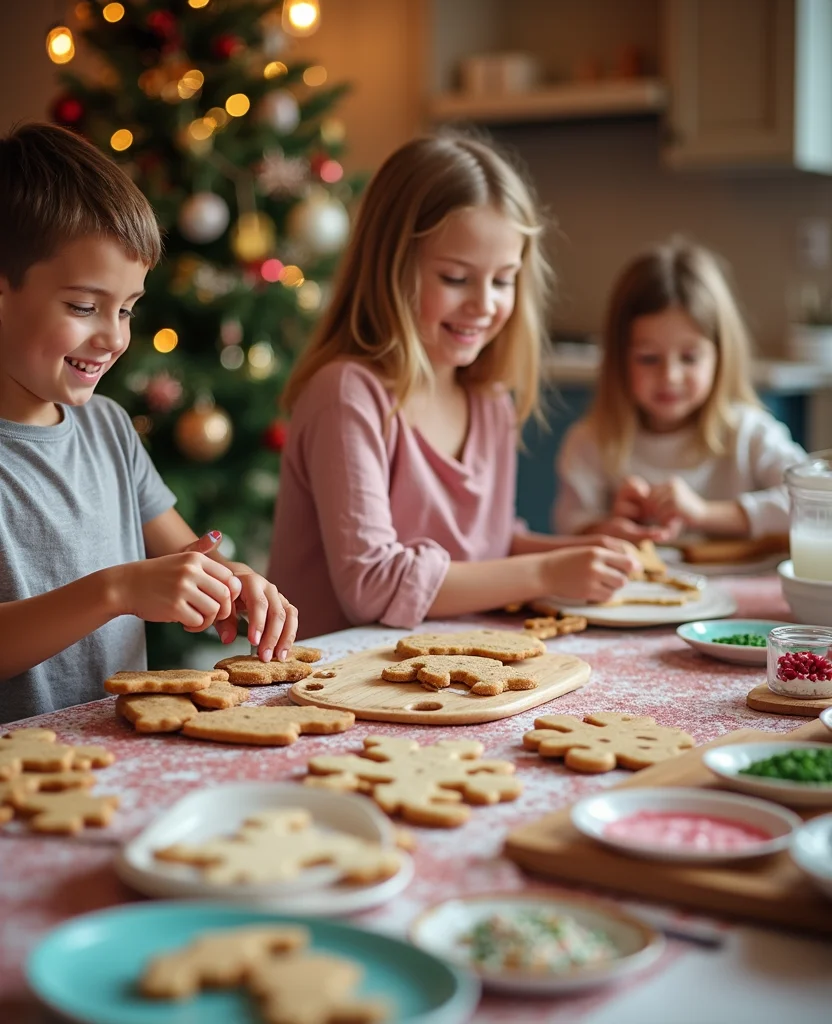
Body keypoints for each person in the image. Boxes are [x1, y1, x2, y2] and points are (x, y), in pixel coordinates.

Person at [267, 133, 637, 640]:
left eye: (503, 280)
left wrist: (581, 554)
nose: (484, 304)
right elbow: (373, 584)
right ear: (391, 270)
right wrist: (549, 573)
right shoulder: (347, 394)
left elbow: (488, 551)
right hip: (333, 689)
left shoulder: (489, 401)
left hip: (446, 672)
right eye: (457, 278)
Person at [0, 123, 297, 723]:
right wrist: (117, 591)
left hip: (110, 754)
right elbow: (131, 585)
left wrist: (231, 583)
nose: (113, 337)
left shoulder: (108, 428)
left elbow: (184, 555)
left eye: (128, 309)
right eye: (84, 307)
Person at [554, 239, 805, 543]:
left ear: (720, 356)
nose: (669, 376)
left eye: (689, 358)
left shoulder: (750, 434)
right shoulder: (591, 442)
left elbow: (813, 502)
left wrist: (703, 514)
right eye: (648, 358)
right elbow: (569, 528)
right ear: (619, 359)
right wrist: (611, 526)